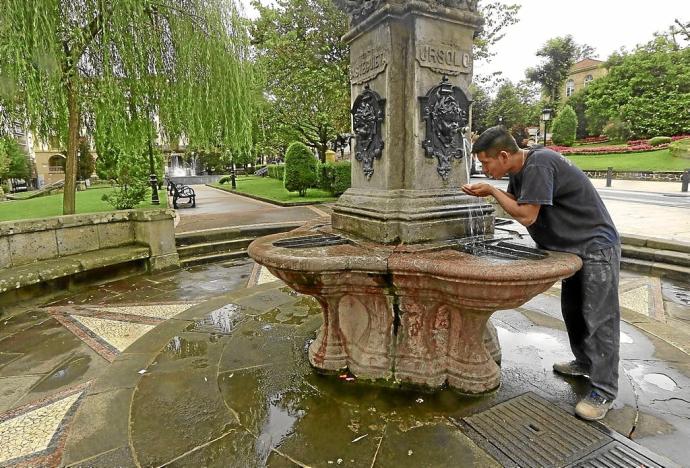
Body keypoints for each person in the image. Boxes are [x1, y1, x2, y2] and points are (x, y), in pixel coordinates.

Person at [462, 125, 621, 421]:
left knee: (600, 317)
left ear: (505, 155)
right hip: (570, 248)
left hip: (595, 246)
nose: (483, 169)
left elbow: (526, 215)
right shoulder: (521, 171)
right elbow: (518, 207)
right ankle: (585, 362)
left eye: (485, 163)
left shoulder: (540, 163)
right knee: (573, 310)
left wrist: (492, 192)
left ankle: (604, 390)